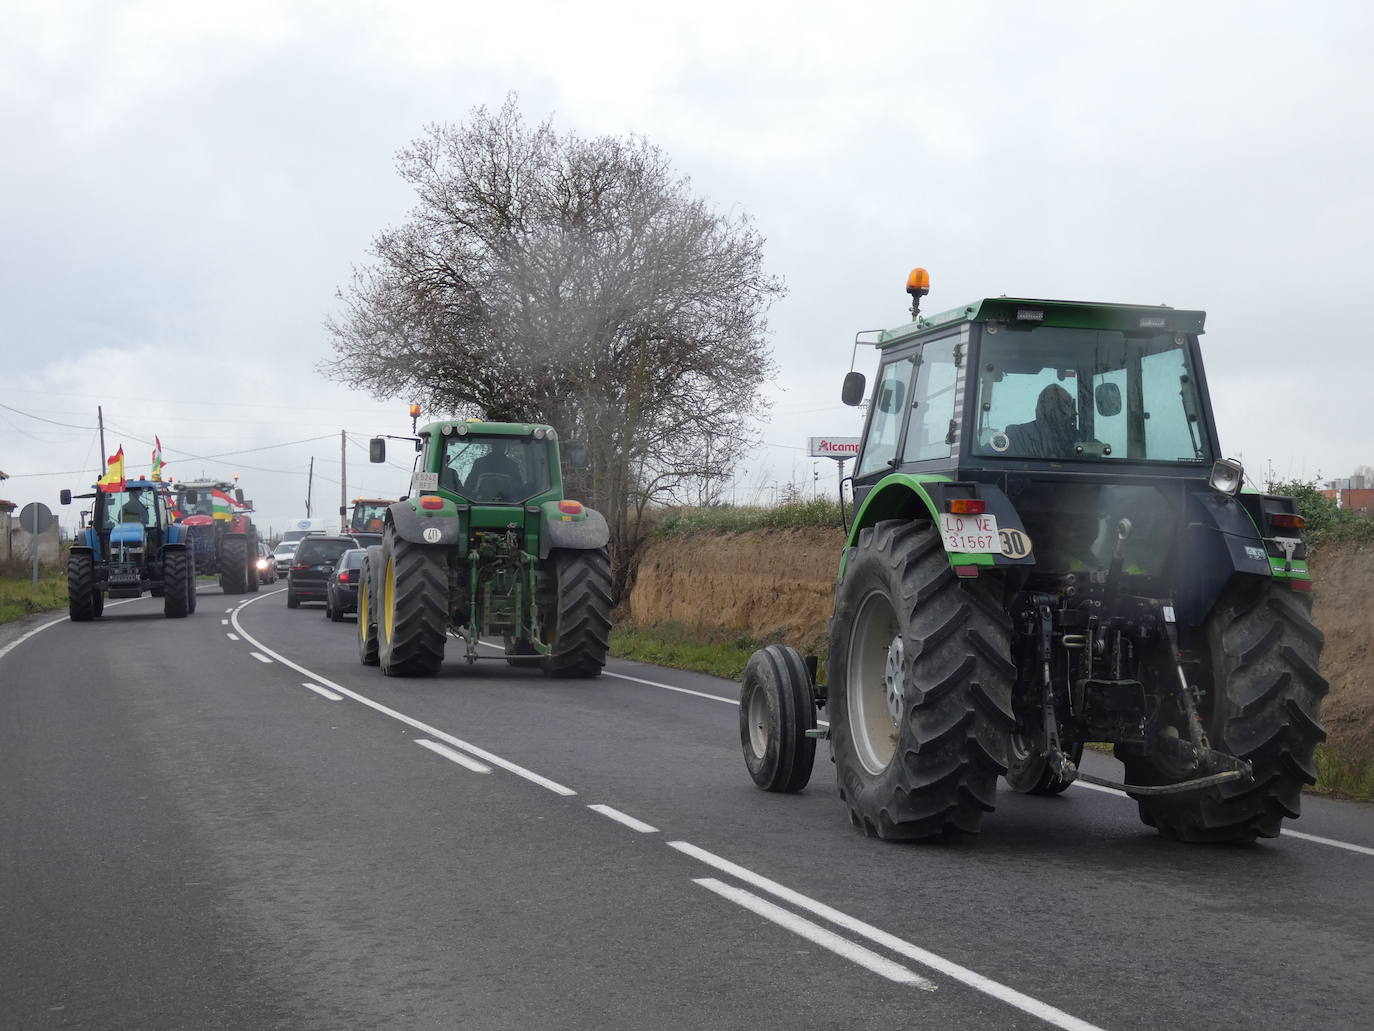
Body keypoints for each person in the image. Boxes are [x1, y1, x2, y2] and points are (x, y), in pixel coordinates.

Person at [1005, 383, 1080, 458]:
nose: (1074, 413)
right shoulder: (1018, 435)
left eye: (1068, 405)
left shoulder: (1078, 438)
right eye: (1066, 404)